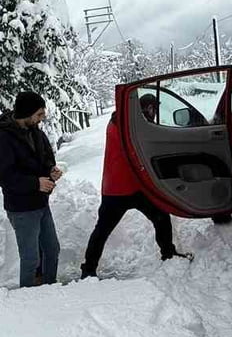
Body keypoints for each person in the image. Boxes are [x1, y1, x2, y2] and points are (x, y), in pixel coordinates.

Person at [80, 94, 191, 279]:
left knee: (161, 217)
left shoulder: (126, 122)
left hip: (133, 188)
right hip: (118, 189)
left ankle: (168, 253)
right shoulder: (122, 124)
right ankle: (88, 269)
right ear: (145, 108)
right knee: (103, 229)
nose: (154, 113)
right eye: (152, 109)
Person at [0, 92, 62, 288]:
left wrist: (51, 170)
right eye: (39, 114)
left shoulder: (37, 133)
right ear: (27, 113)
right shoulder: (2, 140)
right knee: (30, 258)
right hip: (21, 209)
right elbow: (1, 176)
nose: (42, 118)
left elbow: (47, 158)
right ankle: (27, 300)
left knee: (52, 250)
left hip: (41, 203)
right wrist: (35, 183)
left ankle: (50, 287)